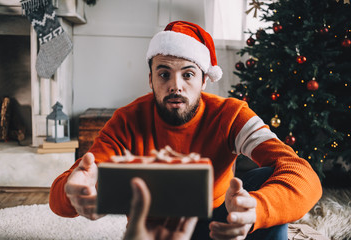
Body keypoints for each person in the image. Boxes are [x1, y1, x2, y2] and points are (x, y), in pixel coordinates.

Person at [49, 21, 322, 239]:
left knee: (269, 177)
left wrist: (257, 210)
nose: (175, 86)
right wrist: (74, 190)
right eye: (164, 73)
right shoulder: (127, 120)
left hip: (220, 220)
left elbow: (302, 173)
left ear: (204, 80)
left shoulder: (231, 115)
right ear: (151, 79)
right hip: (158, 230)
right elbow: (63, 192)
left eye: (188, 74)